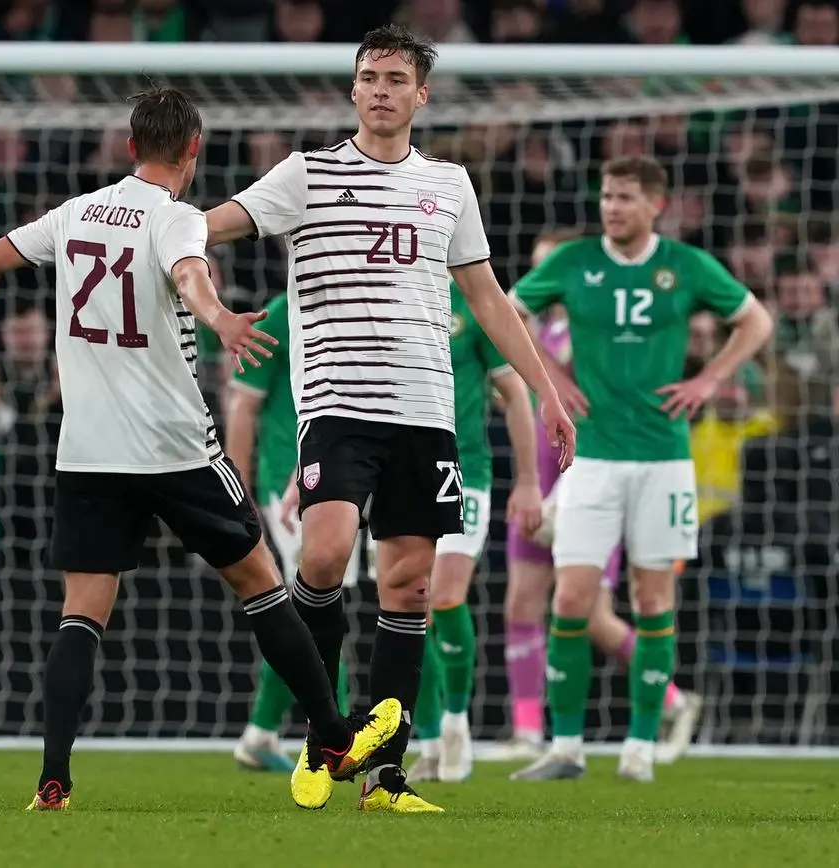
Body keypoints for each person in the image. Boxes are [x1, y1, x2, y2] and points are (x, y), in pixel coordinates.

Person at [0, 85, 403, 812]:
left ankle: (53, 779)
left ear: (130, 147)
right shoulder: (178, 218)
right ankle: (332, 735)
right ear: (195, 148)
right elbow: (191, 273)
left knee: (82, 614)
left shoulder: (77, 213)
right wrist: (218, 316)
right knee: (259, 582)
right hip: (172, 446)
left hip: (89, 451)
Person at [203, 24, 576, 814]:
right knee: (326, 555)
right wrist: (156, 240)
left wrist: (544, 389)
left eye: (395, 79)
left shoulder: (450, 185)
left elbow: (487, 298)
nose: (380, 89)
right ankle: (324, 735)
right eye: (369, 76)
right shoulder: (305, 174)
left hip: (425, 414)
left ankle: (385, 777)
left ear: (420, 95)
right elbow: (207, 225)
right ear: (353, 89)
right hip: (337, 409)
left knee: (410, 590)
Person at [508, 156, 772, 783]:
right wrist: (549, 380)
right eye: (606, 196)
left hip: (663, 462)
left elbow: (755, 320)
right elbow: (511, 313)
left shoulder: (685, 266)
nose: (612, 207)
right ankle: (566, 748)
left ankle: (639, 749)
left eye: (625, 197)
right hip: (592, 461)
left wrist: (709, 379)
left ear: (656, 204)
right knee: (570, 599)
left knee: (652, 599)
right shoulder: (571, 264)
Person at [497, 230, 703, 767]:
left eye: (548, 270)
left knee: (588, 613)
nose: (538, 281)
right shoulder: (528, 336)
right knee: (522, 603)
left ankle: (672, 699)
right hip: (537, 487)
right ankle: (527, 731)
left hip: (582, 485)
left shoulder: (581, 340)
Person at [406, 280, 544, 784]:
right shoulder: (387, 294)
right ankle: (427, 742)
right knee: (407, 605)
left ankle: (457, 723)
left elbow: (516, 396)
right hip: (398, 469)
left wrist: (528, 482)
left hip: (463, 472)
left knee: (443, 596)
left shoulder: (475, 302)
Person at [224, 289, 351, 772]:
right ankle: (335, 739)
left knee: (309, 607)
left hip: (341, 475)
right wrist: (238, 488)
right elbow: (244, 405)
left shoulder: (352, 301)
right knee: (320, 607)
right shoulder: (282, 313)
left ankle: (260, 732)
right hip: (291, 482)